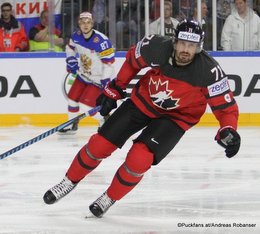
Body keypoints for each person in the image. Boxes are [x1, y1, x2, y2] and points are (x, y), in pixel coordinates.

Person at [43, 19, 241, 218]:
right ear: (174, 41)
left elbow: (226, 109)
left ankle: (109, 197)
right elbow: (132, 61)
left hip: (176, 118)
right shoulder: (155, 46)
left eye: (191, 46)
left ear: (199, 47)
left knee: (140, 158)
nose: (185, 50)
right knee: (99, 145)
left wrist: (228, 129)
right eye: (182, 43)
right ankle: (68, 181)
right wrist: (116, 87)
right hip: (142, 102)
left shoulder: (209, 71)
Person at [58, 11, 115, 134]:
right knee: (72, 99)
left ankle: (104, 120)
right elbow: (70, 48)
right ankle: (71, 124)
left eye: (88, 22)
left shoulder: (101, 41)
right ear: (79, 23)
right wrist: (71, 59)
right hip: (82, 75)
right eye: (83, 22)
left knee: (86, 107)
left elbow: (109, 64)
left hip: (97, 79)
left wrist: (105, 80)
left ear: (92, 23)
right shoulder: (76, 36)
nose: (85, 25)